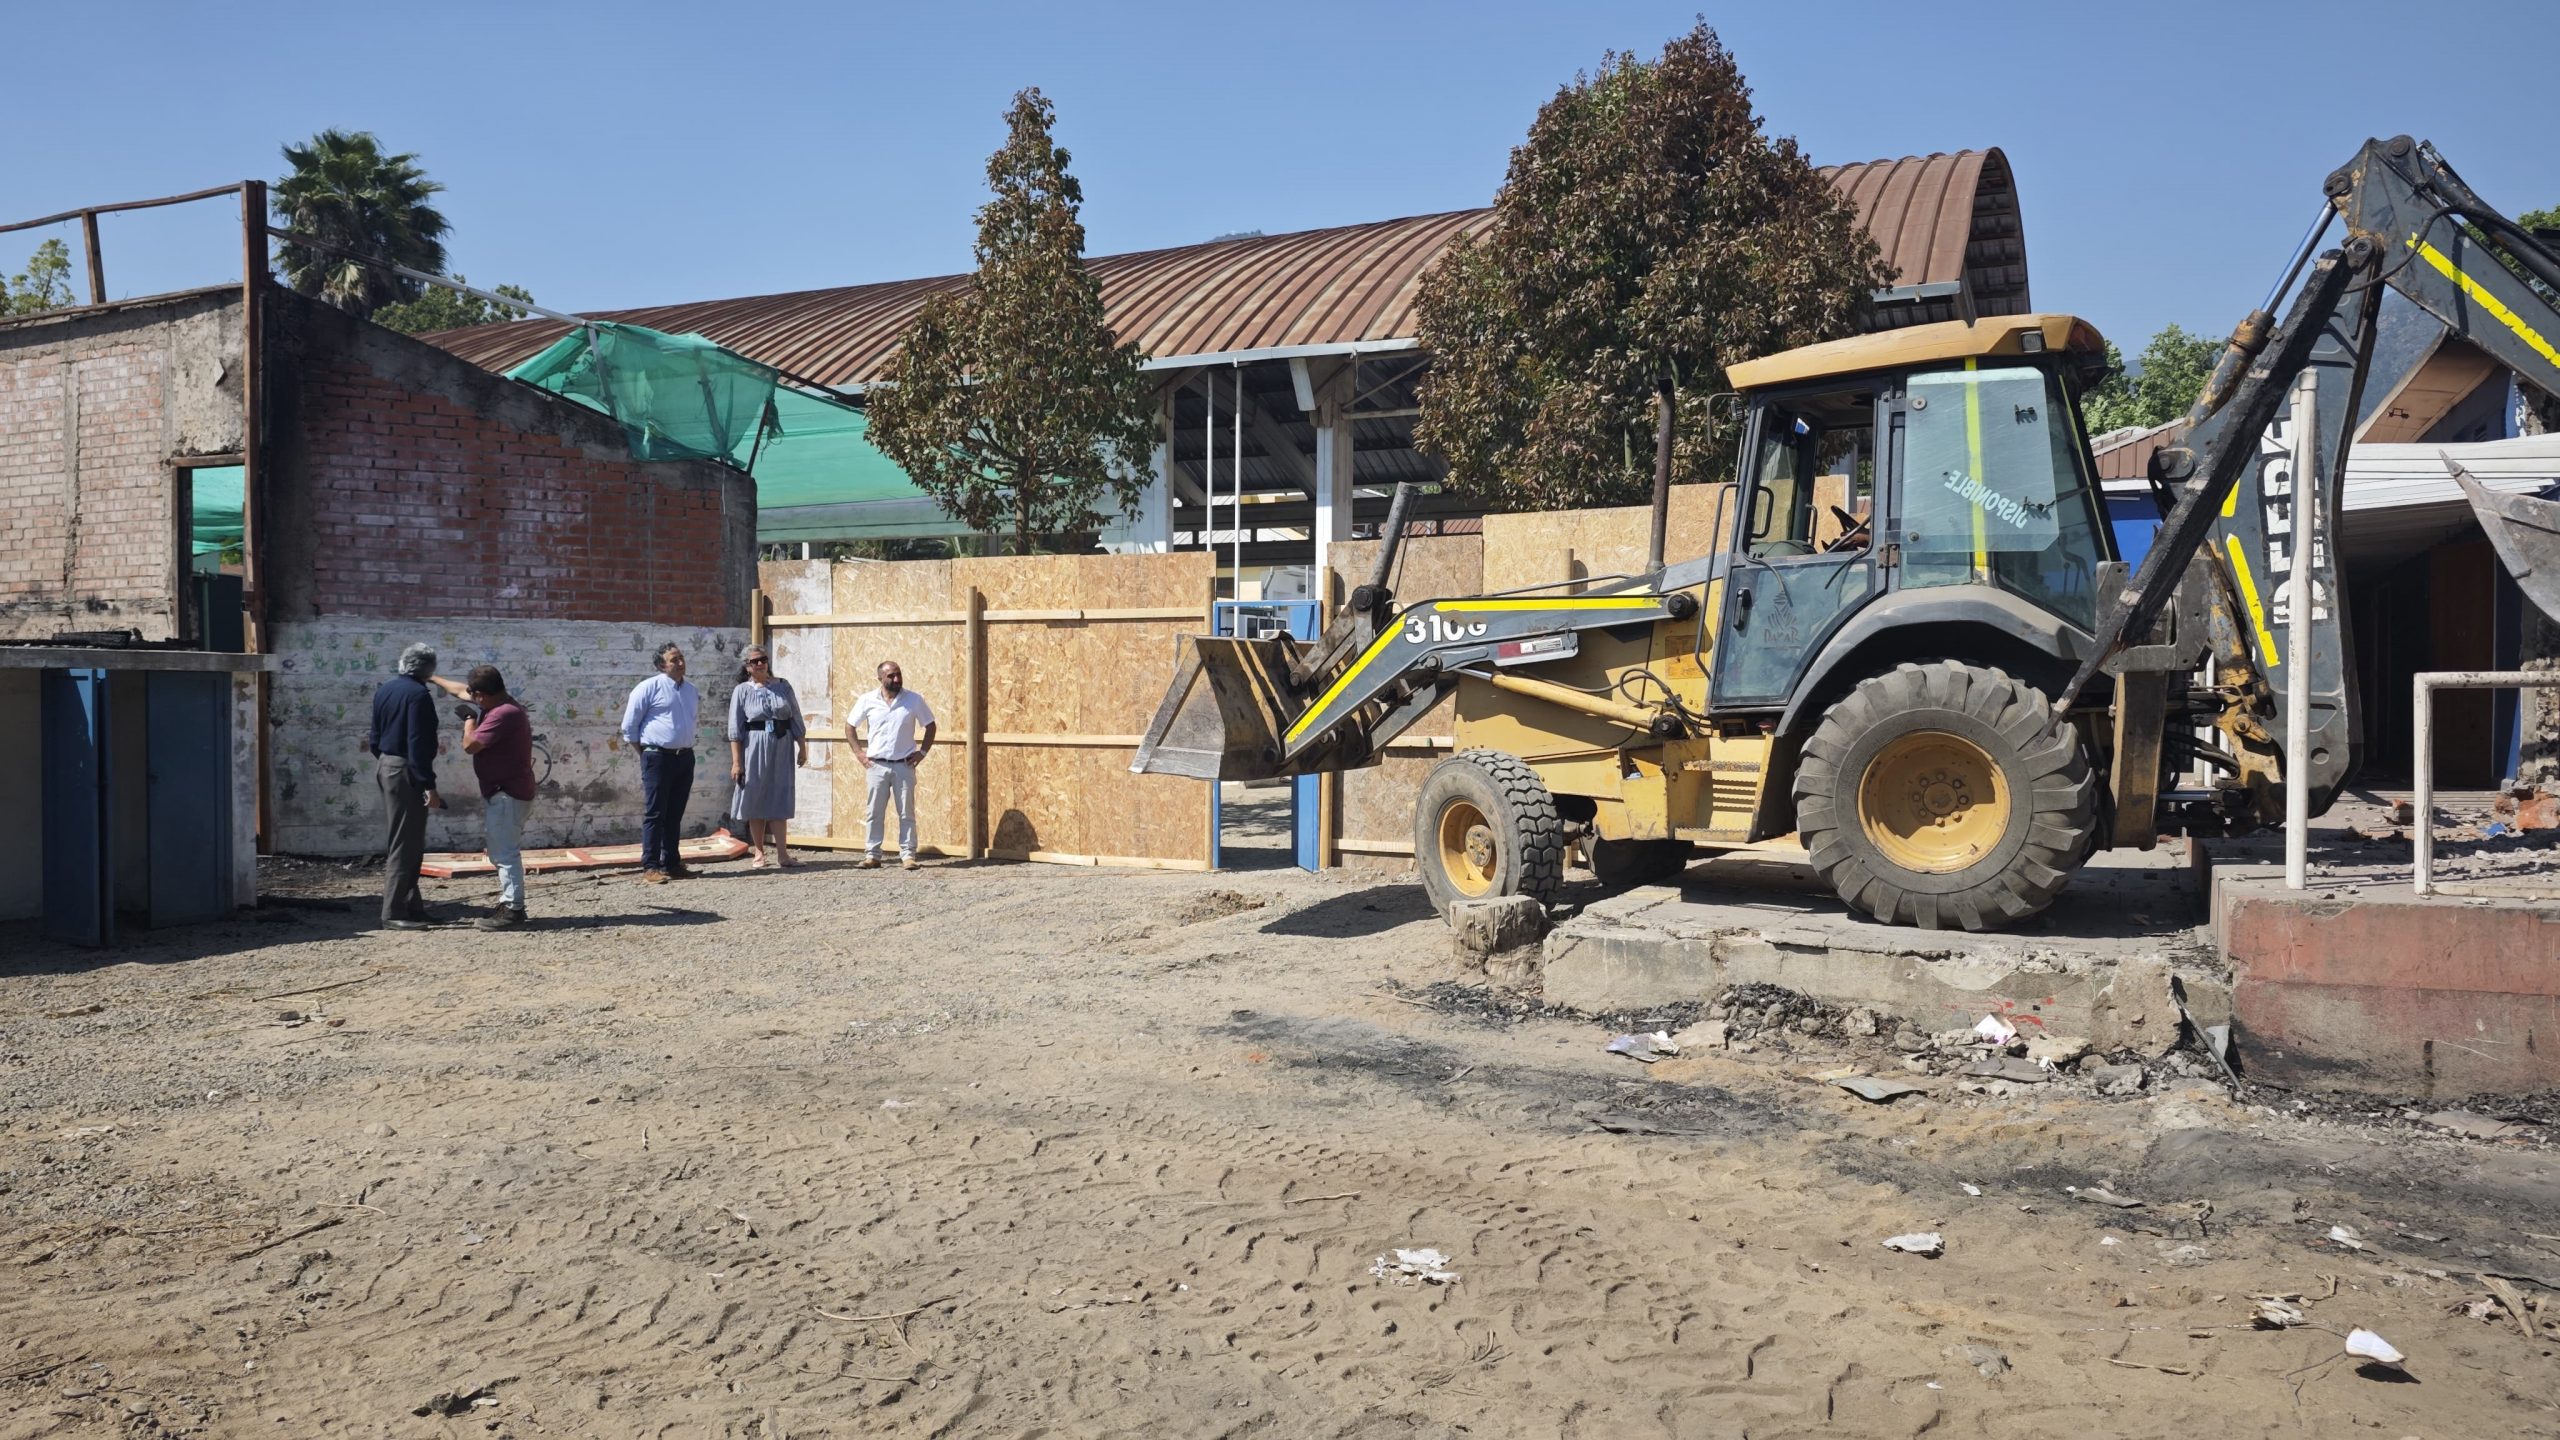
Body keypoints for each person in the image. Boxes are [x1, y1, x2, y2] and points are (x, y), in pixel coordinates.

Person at [427, 665, 536, 929]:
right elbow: (458, 691)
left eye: (474, 695)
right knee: (501, 851)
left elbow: (470, 745)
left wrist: (468, 721)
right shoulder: (497, 703)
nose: (471, 698)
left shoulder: (503, 714)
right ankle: (511, 903)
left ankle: (513, 909)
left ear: (482, 696)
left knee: (505, 853)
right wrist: (432, 677)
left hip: (507, 793)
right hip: (505, 791)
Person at [365, 642, 445, 930]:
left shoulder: (386, 690)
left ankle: (412, 906)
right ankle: (394, 911)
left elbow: (375, 737)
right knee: (405, 842)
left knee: (407, 839)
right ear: (428, 668)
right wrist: (428, 784)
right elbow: (417, 743)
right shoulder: (419, 695)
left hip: (387, 764)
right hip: (405, 769)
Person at [620, 642, 701, 885]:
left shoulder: (691, 690)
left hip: (684, 756)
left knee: (675, 813)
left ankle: (672, 863)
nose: (680, 662)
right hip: (657, 756)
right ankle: (651, 866)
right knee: (655, 813)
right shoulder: (648, 688)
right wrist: (646, 753)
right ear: (661, 665)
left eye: (681, 657)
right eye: (674, 659)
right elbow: (629, 727)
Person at [848, 659, 936, 870]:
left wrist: (922, 752)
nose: (896, 679)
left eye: (898, 674)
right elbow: (850, 726)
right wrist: (859, 753)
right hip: (876, 765)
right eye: (891, 676)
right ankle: (872, 855)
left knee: (906, 812)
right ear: (880, 678)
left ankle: (908, 856)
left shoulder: (914, 700)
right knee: (874, 812)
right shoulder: (867, 700)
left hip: (903, 765)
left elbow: (931, 726)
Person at [727, 645, 808, 870]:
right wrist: (737, 762)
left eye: (763, 659)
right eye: (755, 661)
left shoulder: (782, 686)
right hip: (754, 745)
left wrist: (802, 746)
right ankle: (759, 852)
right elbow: (735, 728)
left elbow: (795, 716)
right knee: (755, 793)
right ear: (747, 666)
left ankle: (783, 853)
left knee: (779, 794)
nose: (761, 664)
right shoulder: (742, 691)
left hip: (782, 745)